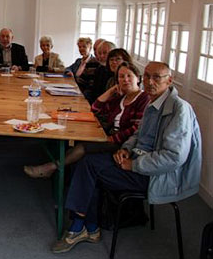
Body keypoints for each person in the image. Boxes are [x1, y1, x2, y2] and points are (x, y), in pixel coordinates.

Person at [52, 62, 202, 254]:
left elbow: (173, 157)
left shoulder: (179, 110)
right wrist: (127, 149)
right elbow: (138, 135)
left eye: (156, 77)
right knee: (87, 165)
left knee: (89, 167)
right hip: (138, 162)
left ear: (169, 81)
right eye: (147, 76)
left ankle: (80, 227)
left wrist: (134, 164)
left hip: (157, 176)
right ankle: (88, 228)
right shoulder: (154, 102)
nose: (149, 82)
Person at [24, 62, 149, 178]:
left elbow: (136, 128)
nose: (125, 80)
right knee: (76, 134)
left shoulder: (143, 98)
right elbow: (95, 109)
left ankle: (50, 167)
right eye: (121, 77)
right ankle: (66, 172)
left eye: (129, 76)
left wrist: (113, 138)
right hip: (109, 133)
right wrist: (111, 91)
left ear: (138, 78)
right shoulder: (120, 98)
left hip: (123, 142)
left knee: (84, 146)